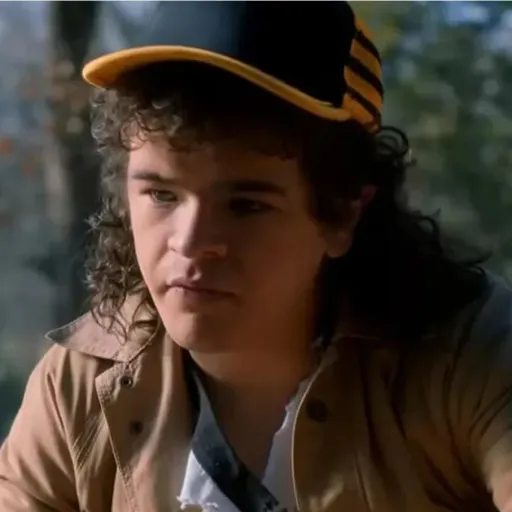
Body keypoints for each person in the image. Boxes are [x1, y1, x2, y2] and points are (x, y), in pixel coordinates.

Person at [1, 2, 512, 511]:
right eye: (161, 195)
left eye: (245, 205)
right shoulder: (82, 385)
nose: (191, 241)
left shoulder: (470, 357)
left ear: (342, 214)